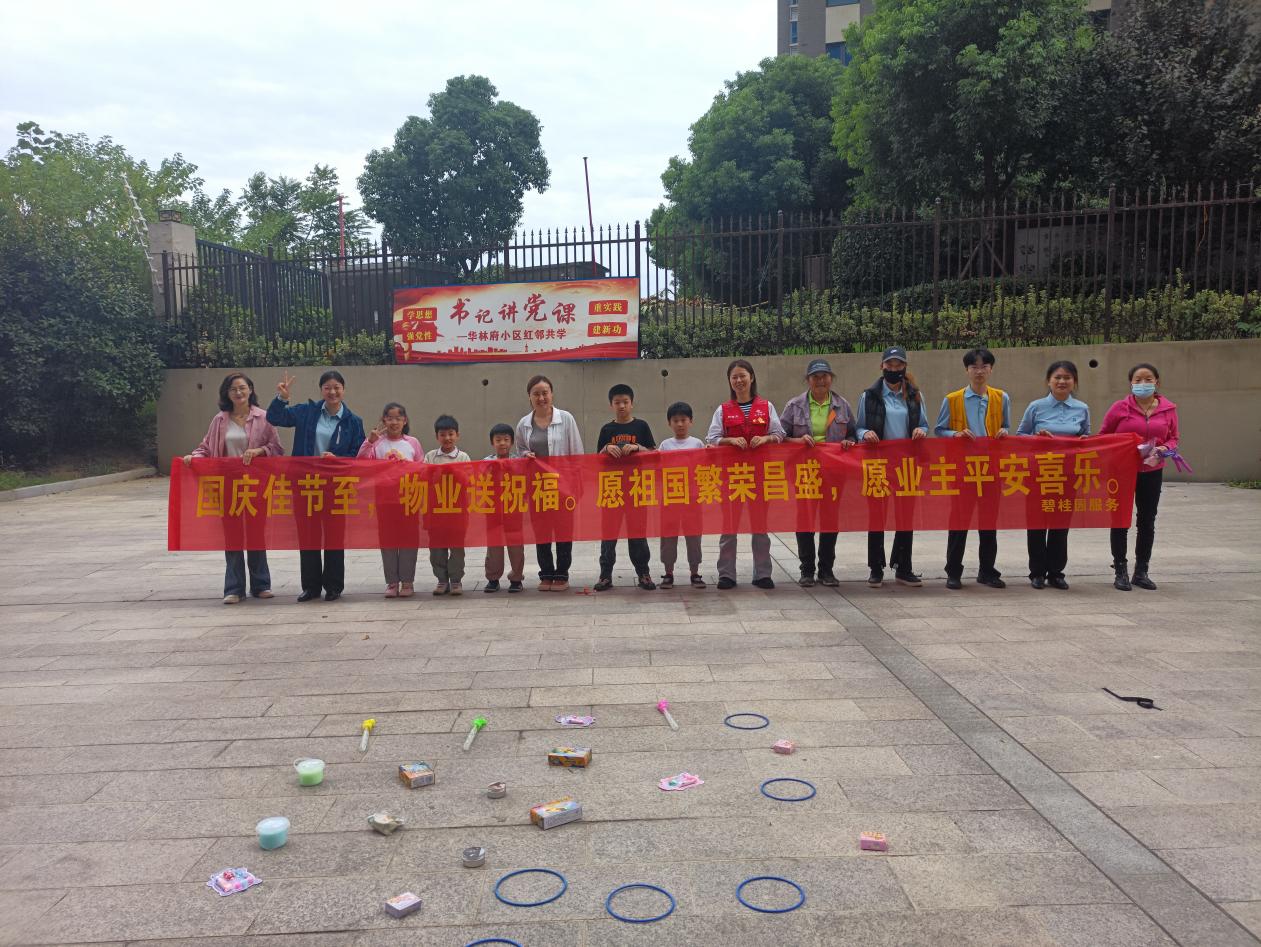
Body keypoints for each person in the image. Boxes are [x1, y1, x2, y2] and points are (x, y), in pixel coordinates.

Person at [184, 372, 284, 604]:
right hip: (227, 485)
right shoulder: (220, 420)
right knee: (232, 535)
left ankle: (261, 584)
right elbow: (206, 448)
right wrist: (194, 457)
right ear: (227, 394)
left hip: (255, 486)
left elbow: (277, 448)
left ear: (250, 390)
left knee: (256, 533)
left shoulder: (264, 417)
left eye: (242, 388)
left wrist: (259, 451)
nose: (238, 392)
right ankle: (234, 588)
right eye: (233, 389)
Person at [267, 370, 365, 602]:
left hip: (335, 487)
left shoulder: (353, 421)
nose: (332, 392)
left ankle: (334, 586)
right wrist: (282, 398)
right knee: (308, 535)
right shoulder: (306, 412)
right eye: (327, 387)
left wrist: (338, 460)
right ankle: (311, 587)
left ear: (343, 390)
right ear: (321, 390)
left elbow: (359, 455)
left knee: (334, 535)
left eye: (336, 387)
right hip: (306, 485)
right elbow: (275, 418)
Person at [933, 347, 1010, 590]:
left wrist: (1004, 431)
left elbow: (1007, 426)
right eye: (974, 367)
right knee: (959, 521)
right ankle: (953, 571)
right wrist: (955, 434)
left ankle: (987, 571)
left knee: (988, 523)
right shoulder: (952, 399)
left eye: (984, 366)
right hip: (963, 469)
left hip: (991, 469)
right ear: (966, 370)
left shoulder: (1001, 397)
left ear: (991, 369)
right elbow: (939, 430)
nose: (979, 371)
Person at [706, 359, 786, 589]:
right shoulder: (723, 410)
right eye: (734, 377)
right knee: (729, 527)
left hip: (760, 476)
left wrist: (767, 438)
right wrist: (729, 440)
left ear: (751, 378)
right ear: (729, 382)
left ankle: (762, 574)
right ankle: (726, 575)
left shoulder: (766, 406)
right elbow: (711, 437)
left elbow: (780, 434)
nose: (739, 380)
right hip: (732, 477)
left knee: (760, 527)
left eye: (743, 376)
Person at [1100, 363, 1179, 592]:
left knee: (1147, 520)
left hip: (1152, 471)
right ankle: (1120, 570)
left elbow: (1174, 438)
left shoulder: (1168, 409)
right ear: (1131, 383)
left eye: (1148, 379)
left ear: (1157, 382)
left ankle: (1141, 571)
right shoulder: (1119, 408)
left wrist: (1165, 448)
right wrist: (1120, 450)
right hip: (1122, 472)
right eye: (1138, 380)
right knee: (1120, 519)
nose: (1143, 384)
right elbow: (1104, 435)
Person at [780, 358, 858, 587]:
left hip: (834, 472)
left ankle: (826, 570)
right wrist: (797, 440)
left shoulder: (842, 405)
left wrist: (849, 442)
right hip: (805, 472)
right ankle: (807, 570)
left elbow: (853, 433)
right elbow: (779, 436)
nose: (820, 380)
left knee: (829, 520)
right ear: (808, 380)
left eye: (824, 376)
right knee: (805, 519)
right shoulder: (794, 406)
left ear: (831, 379)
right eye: (815, 377)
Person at [855, 346, 929, 588]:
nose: (894, 369)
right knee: (877, 516)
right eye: (890, 365)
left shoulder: (915, 395)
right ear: (882, 366)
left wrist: (921, 430)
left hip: (906, 466)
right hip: (878, 465)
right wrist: (865, 433)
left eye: (899, 365)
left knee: (905, 517)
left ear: (905, 367)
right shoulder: (869, 396)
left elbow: (924, 424)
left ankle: (903, 567)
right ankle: (876, 568)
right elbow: (858, 427)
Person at [1017, 361, 1091, 590]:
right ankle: (1037, 572)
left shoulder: (1082, 408)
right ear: (1048, 381)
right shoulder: (1036, 407)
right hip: (1039, 474)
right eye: (1057, 377)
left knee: (1061, 524)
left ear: (1074, 382)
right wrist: (1037, 438)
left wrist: (1083, 442)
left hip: (1068, 475)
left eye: (1067, 377)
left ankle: (1056, 572)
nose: (1062, 381)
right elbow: (1020, 436)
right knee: (1037, 523)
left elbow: (1086, 437)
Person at [515, 375, 584, 592]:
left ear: (552, 394)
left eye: (545, 393)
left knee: (563, 530)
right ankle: (546, 573)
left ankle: (562, 573)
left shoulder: (566, 419)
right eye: (536, 394)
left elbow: (576, 452)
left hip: (563, 486)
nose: (541, 398)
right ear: (529, 397)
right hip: (538, 487)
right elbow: (520, 450)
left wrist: (576, 484)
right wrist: (525, 455)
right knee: (541, 530)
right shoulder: (524, 424)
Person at [357, 402, 424, 598]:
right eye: (389, 418)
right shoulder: (376, 443)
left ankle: (408, 582)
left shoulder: (412, 443)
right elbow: (361, 463)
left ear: (405, 421)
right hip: (384, 500)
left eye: (398, 418)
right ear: (383, 420)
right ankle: (392, 582)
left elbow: (421, 468)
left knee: (409, 541)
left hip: (408, 500)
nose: (394, 422)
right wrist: (369, 442)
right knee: (388, 542)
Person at [595, 384, 657, 591]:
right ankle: (605, 575)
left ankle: (644, 573)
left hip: (636, 488)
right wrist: (606, 448)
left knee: (637, 533)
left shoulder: (642, 426)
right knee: (609, 534)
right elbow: (597, 459)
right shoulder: (606, 429)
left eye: (625, 402)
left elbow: (654, 454)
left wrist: (638, 447)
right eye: (617, 402)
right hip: (611, 489)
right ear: (611, 405)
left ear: (632, 403)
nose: (621, 406)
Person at [657, 401, 707, 590]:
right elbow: (658, 469)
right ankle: (668, 573)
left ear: (691, 421)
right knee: (668, 537)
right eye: (675, 420)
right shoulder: (665, 445)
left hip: (692, 499)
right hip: (670, 499)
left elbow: (704, 469)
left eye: (683, 420)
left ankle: (695, 572)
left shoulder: (698, 444)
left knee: (694, 537)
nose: (680, 424)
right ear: (669, 423)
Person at [424, 414, 471, 595]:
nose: (447, 438)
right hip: (435, 512)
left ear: (457, 435)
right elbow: (423, 479)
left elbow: (469, 481)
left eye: (451, 434)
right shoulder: (430, 457)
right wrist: (437, 475)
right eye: (443, 434)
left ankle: (456, 579)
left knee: (457, 548)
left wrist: (455, 473)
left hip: (457, 512)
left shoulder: (463, 457)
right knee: (437, 549)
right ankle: (442, 579)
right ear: (437, 437)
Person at [483, 423, 525, 594]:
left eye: (506, 439)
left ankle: (516, 578)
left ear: (512, 442)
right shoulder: (486, 462)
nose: (502, 443)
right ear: (492, 442)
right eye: (498, 440)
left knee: (516, 544)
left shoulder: (519, 461)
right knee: (494, 544)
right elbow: (479, 481)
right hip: (492, 509)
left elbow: (525, 480)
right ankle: (493, 578)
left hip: (513, 508)